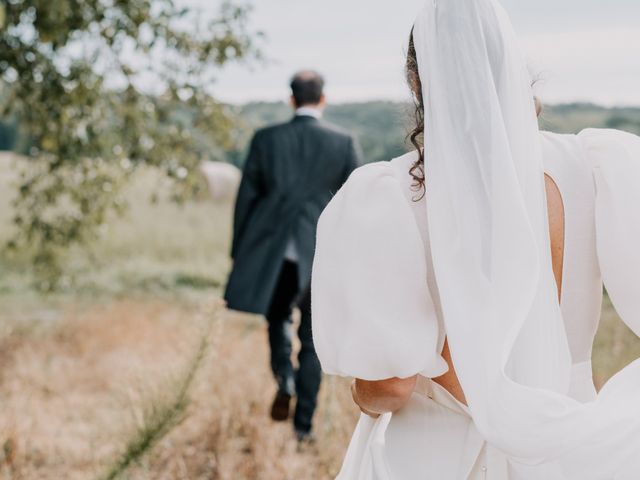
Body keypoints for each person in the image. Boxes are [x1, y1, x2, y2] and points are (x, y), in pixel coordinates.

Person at [312, 0, 640, 478]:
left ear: (416, 82)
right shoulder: (595, 168)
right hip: (571, 449)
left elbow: (391, 387)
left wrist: (363, 393)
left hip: (435, 456)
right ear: (513, 65)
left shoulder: (389, 195)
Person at [225, 70, 362, 441]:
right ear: (322, 99)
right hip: (320, 254)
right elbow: (356, 205)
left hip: (275, 254)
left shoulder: (266, 139)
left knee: (276, 320)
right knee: (314, 340)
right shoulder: (343, 142)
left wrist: (241, 252)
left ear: (291, 99)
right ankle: (304, 428)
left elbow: (246, 201)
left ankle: (284, 377)